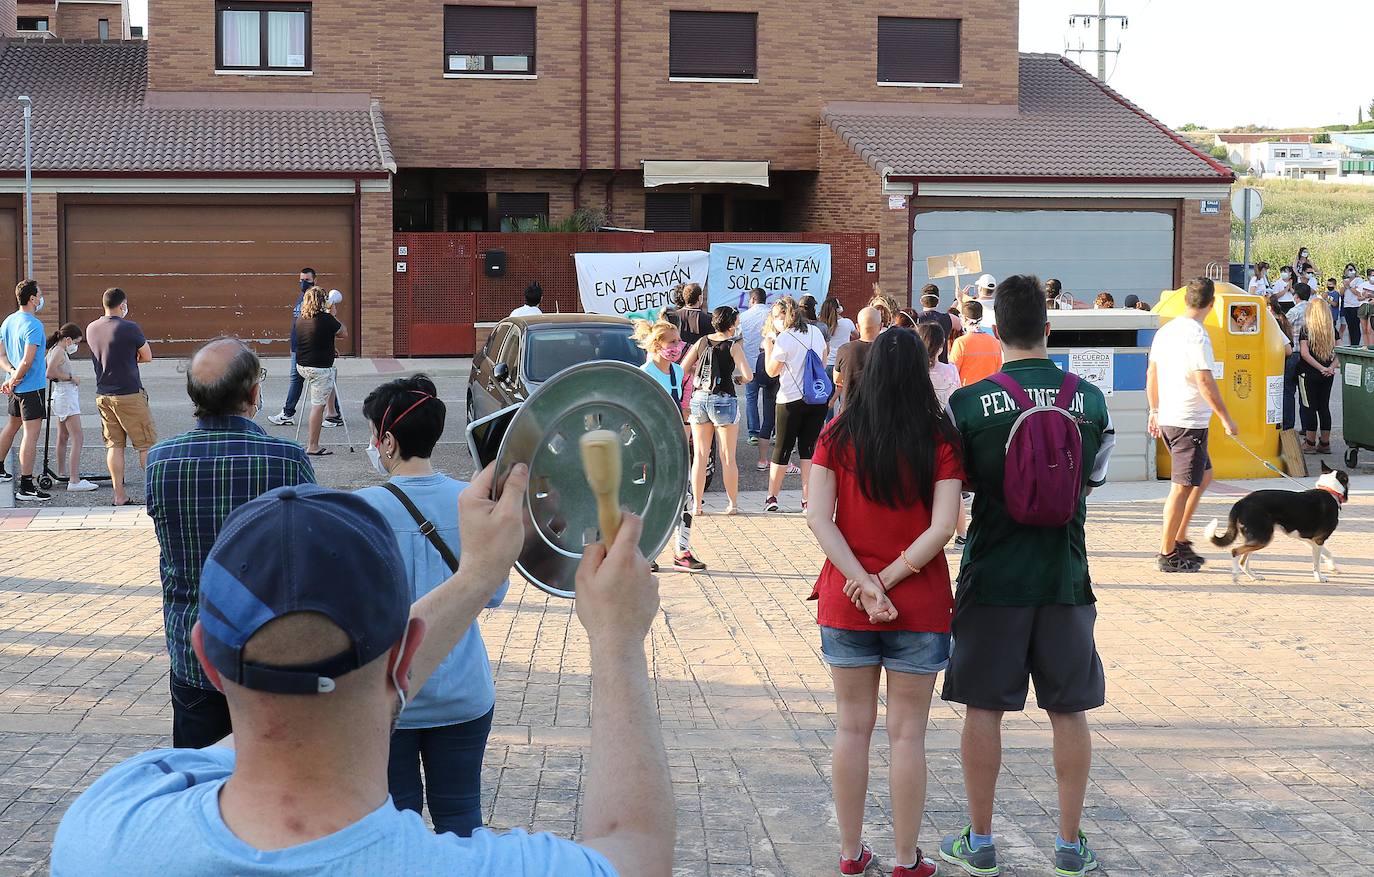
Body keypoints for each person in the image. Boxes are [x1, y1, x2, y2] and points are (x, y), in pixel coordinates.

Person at [51, 471, 677, 877]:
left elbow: (287, 727)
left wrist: (476, 578)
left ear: (207, 661)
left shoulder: (105, 825)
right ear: (406, 663)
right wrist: (618, 639)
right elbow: (637, 850)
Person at [939, 275, 1115, 877]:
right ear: (1048, 327)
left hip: (992, 574)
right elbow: (1090, 482)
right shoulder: (1091, 401)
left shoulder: (966, 405)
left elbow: (952, 494)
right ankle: (1069, 844)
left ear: (994, 331)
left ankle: (980, 840)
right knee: (1070, 710)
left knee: (983, 707)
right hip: (1065, 575)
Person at [806, 328, 963, 877]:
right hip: (918, 604)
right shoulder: (940, 438)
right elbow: (944, 527)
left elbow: (816, 518)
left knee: (851, 728)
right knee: (908, 734)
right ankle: (905, 859)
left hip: (847, 603)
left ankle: (850, 855)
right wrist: (890, 580)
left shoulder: (837, 434)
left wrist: (862, 582)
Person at [145, 337, 316, 748]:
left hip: (192, 648)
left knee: (201, 779)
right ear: (254, 393)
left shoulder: (161, 461)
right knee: (274, 782)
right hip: (271, 655)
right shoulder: (286, 459)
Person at [356, 375, 506, 837]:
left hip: (389, 696)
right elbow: (493, 594)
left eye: (372, 434)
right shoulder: (474, 501)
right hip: (464, 689)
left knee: (396, 828)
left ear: (387, 440)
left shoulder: (359, 509)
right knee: (462, 821)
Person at [1147, 277, 1238, 574]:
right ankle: (1167, 551)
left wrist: (1154, 409)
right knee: (1182, 487)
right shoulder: (1198, 336)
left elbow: (1152, 372)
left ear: (1186, 300)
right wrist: (1225, 417)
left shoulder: (1166, 330)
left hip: (1172, 417)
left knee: (1205, 475)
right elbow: (1204, 379)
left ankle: (1180, 537)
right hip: (1189, 421)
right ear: (1211, 304)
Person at [634, 317, 706, 571]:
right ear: (657, 345)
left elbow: (683, 410)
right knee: (652, 501)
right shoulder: (645, 374)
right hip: (650, 448)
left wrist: (685, 440)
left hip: (674, 446)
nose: (678, 346)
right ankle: (645, 552)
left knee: (685, 499)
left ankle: (682, 552)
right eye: (672, 342)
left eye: (679, 341)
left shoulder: (677, 372)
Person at [86, 287, 155, 507]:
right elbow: (147, 356)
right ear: (122, 305)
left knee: (114, 446)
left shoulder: (91, 328)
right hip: (129, 394)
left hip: (103, 394)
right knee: (145, 445)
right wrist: (132, 357)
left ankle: (119, 495)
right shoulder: (129, 328)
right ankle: (154, 494)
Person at [681, 306, 753, 516]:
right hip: (724, 399)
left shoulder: (701, 342)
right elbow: (747, 375)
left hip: (700, 398)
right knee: (727, 456)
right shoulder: (733, 346)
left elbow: (683, 367)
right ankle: (731, 504)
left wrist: (703, 371)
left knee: (700, 455)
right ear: (731, 324)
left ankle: (697, 505)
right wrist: (735, 378)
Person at [764, 296, 829, 514]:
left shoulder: (784, 338)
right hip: (816, 399)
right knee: (808, 450)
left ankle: (772, 497)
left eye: (776, 317)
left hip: (790, 399)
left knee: (782, 448)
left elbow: (771, 371)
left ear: (784, 315)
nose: (774, 321)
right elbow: (823, 360)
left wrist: (768, 345)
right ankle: (807, 500)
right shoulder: (816, 332)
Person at [0, 279, 51, 500]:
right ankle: (26, 486)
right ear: (32, 299)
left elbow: (1, 355)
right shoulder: (34, 325)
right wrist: (16, 377)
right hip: (32, 388)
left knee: (11, 426)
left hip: (16, 386)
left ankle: (0, 468)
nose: (41, 299)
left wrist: (10, 375)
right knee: (30, 435)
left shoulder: (8, 321)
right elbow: (28, 361)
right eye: (39, 295)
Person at [44, 323, 98, 492]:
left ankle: (62, 473)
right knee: (78, 437)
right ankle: (74, 480)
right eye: (75, 342)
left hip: (61, 396)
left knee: (63, 436)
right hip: (66, 396)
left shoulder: (55, 349)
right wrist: (71, 377)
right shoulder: (59, 351)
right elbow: (50, 373)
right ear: (67, 340)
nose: (75, 346)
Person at [295, 286, 347, 456]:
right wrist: (333, 314)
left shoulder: (301, 318)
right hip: (319, 369)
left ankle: (332, 412)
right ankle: (313, 446)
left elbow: (316, 337)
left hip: (302, 366)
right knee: (317, 407)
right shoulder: (326, 319)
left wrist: (332, 350)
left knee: (331, 374)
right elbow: (343, 333)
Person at [270, 268, 318, 427]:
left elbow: (320, 324)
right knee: (319, 379)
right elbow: (295, 323)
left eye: (307, 280)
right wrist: (292, 346)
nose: (303, 283)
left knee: (304, 379)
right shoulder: (301, 297)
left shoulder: (315, 299)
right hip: (297, 348)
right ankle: (334, 413)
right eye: (301, 280)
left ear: (314, 280)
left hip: (307, 348)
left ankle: (287, 413)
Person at [1298, 297, 1338, 455]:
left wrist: (1320, 367)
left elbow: (1304, 353)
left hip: (1308, 373)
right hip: (1327, 374)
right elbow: (1341, 352)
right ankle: (1325, 442)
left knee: (1309, 407)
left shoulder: (1306, 329)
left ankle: (1310, 442)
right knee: (1324, 407)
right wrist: (1330, 368)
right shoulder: (1332, 330)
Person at [739, 287, 774, 448]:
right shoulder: (772, 316)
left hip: (749, 363)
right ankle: (771, 431)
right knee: (771, 398)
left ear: (752, 300)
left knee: (751, 397)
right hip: (769, 363)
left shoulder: (743, 317)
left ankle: (753, 432)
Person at [834, 306, 879, 414]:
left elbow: (837, 380)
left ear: (858, 327)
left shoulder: (844, 350)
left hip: (849, 412)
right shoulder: (889, 350)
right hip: (878, 413)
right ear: (880, 326)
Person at [949, 301, 1001, 387]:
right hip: (989, 393)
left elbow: (953, 374)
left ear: (964, 319)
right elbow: (998, 372)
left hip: (967, 394)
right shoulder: (995, 342)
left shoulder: (961, 343)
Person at [915, 285, 959, 364]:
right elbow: (964, 325)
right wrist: (960, 301)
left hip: (921, 366)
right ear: (938, 302)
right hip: (942, 365)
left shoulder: (915, 320)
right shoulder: (948, 318)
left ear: (921, 301)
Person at [820, 297, 857, 377]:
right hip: (843, 362)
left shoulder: (821, 325)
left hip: (826, 363)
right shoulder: (847, 322)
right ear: (838, 309)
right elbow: (856, 335)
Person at [1340, 264, 1365, 346]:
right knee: (1350, 327)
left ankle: (1356, 344)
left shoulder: (1359, 280)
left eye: (1351, 269)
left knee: (1356, 326)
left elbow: (1358, 293)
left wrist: (1349, 286)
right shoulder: (1345, 280)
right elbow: (1342, 293)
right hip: (1347, 306)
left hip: (1356, 306)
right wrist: (1344, 285)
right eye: (1348, 270)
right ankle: (1352, 345)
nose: (1350, 271)